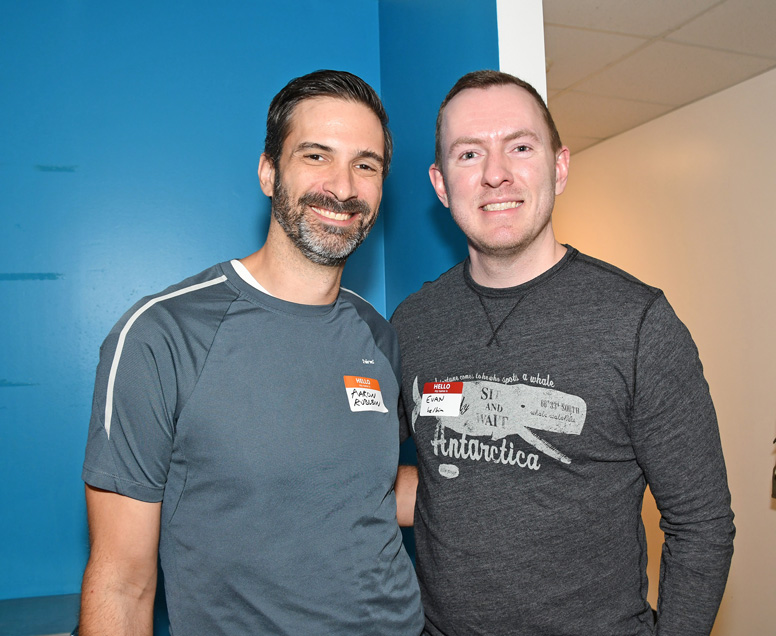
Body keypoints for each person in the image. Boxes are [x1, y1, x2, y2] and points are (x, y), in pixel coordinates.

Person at [80, 69, 423, 635]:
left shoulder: (377, 335)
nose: (343, 187)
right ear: (268, 172)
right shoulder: (162, 335)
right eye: (316, 156)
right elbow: (121, 582)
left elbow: (366, 490)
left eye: (366, 165)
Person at [392, 70, 734, 636]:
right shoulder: (413, 324)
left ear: (559, 167)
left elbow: (702, 525)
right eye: (469, 154)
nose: (496, 174)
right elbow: (373, 474)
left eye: (520, 147)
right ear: (441, 184)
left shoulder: (638, 323)